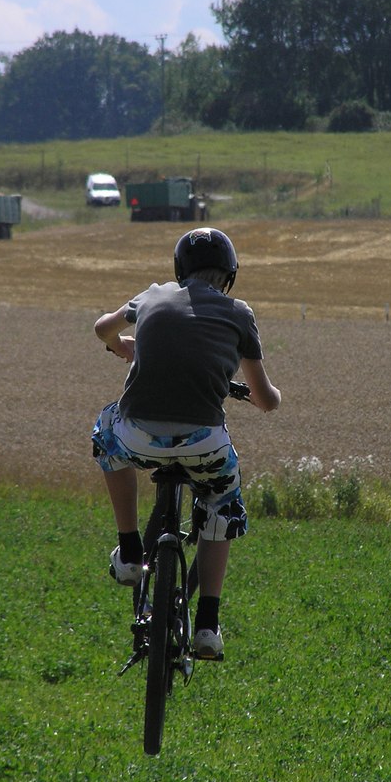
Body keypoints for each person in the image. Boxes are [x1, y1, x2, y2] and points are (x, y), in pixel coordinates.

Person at [91, 226, 281, 659]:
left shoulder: (154, 295)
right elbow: (265, 399)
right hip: (203, 444)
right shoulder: (239, 313)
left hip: (139, 437)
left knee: (106, 432)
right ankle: (209, 625)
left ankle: (130, 548)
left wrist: (124, 345)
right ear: (229, 274)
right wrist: (270, 399)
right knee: (222, 504)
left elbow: (102, 327)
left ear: (180, 268)